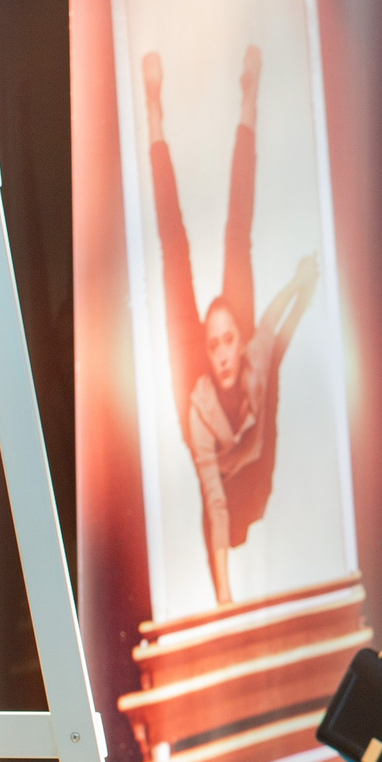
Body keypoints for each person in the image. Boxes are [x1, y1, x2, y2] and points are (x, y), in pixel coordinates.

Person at [143, 45, 321, 606]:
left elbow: (268, 325)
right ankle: (160, 111)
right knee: (181, 249)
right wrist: (225, 600)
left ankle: (246, 99)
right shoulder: (200, 406)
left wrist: (300, 284)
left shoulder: (249, 352)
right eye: (216, 342)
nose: (221, 351)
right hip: (195, 399)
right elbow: (215, 503)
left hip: (231, 406)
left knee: (226, 240)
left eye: (226, 341)